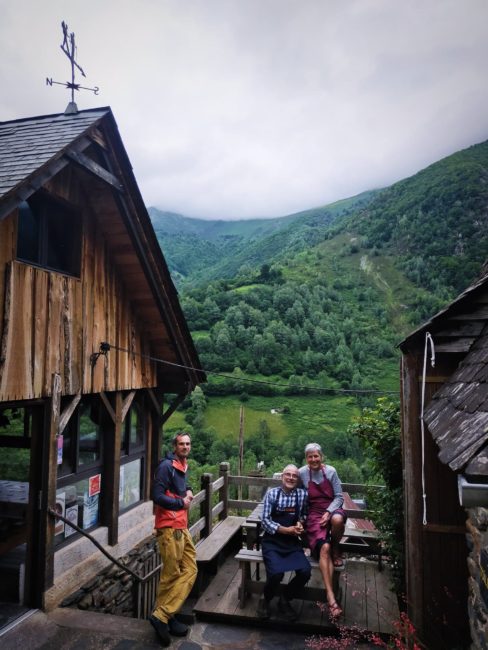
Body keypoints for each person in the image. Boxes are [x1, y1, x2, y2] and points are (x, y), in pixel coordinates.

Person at [149, 432, 197, 647]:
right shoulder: (166, 467)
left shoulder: (181, 465)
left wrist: (188, 490)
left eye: (187, 444)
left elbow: (180, 489)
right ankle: (164, 617)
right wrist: (181, 503)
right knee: (171, 575)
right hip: (169, 528)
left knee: (190, 569)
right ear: (174, 446)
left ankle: (165, 614)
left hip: (181, 526)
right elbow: (158, 497)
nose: (185, 446)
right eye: (181, 444)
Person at [257, 464, 311, 621]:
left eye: (294, 476)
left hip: (292, 543)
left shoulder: (302, 495)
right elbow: (265, 521)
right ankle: (265, 600)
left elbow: (305, 514)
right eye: (288, 474)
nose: (291, 478)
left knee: (305, 572)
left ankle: (285, 599)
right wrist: (286, 530)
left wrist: (301, 522)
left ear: (298, 479)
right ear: (282, 477)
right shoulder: (272, 494)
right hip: (272, 541)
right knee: (276, 575)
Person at [299, 442, 346, 619]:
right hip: (314, 515)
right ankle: (331, 598)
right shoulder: (302, 473)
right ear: (306, 459)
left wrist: (329, 511)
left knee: (337, 519)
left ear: (321, 456)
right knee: (322, 549)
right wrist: (301, 518)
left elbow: (339, 496)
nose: (313, 459)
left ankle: (335, 547)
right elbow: (298, 495)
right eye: (310, 457)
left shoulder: (331, 472)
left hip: (332, 509)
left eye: (316, 456)